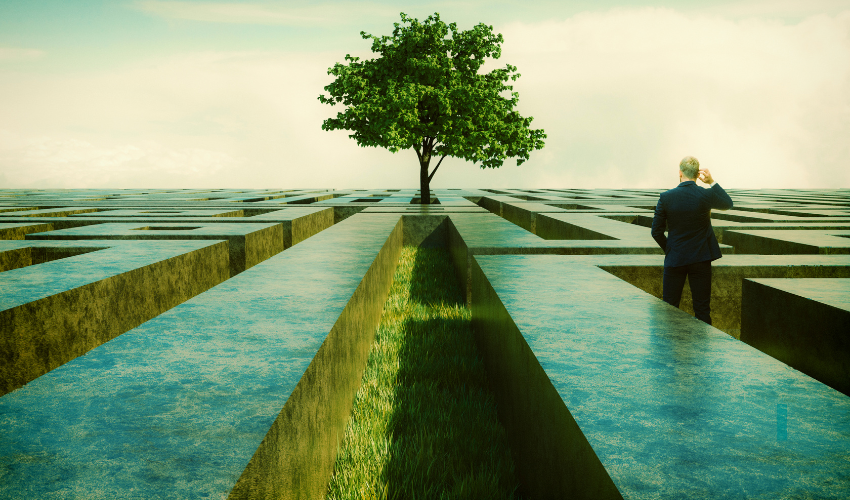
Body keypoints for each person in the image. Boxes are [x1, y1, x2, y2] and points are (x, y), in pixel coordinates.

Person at [651, 156, 733, 325]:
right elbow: (728, 203)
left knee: (670, 308)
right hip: (700, 259)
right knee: (702, 309)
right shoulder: (705, 194)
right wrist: (711, 182)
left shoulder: (666, 197)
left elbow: (656, 232)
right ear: (698, 175)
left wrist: (670, 249)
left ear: (680, 173)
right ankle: (702, 350)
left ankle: (668, 348)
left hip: (675, 259)